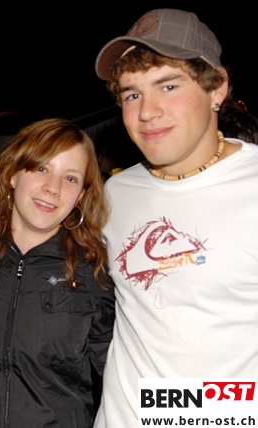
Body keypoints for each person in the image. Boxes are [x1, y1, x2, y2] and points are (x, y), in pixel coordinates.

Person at [92, 8, 258, 427]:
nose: (147, 111)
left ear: (217, 87)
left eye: (168, 86)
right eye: (132, 94)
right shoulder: (116, 192)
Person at [0, 118, 115, 427]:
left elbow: (121, 374)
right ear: (13, 174)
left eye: (71, 178)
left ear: (81, 195)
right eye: (41, 168)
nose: (53, 188)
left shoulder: (94, 272)